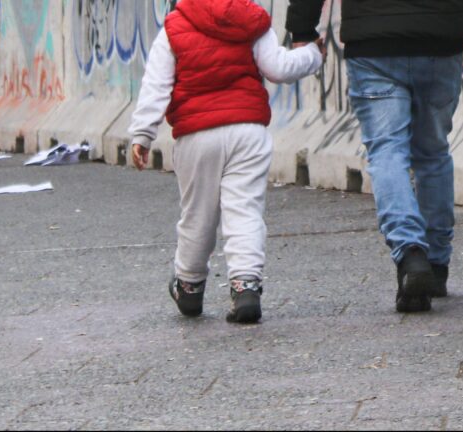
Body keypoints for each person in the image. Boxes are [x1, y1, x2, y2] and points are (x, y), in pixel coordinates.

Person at [286, 0, 463, 313]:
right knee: (433, 152)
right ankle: (436, 264)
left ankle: (411, 252)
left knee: (387, 150)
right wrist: (462, 22)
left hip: (374, 44)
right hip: (440, 40)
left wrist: (303, 29)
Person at [128, 0, 325, 323]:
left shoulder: (174, 28)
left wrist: (142, 135)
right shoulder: (251, 20)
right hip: (247, 131)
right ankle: (246, 286)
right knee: (244, 209)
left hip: (196, 136)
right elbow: (278, 68)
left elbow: (156, 86)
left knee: (197, 214)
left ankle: (189, 286)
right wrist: (313, 54)